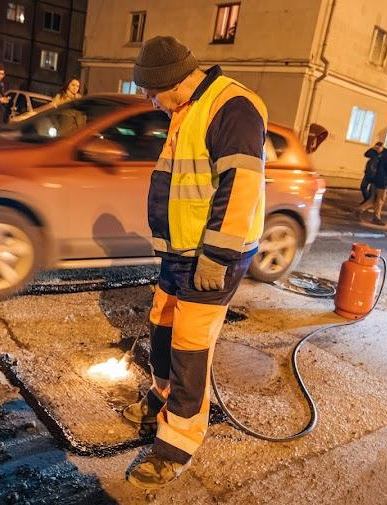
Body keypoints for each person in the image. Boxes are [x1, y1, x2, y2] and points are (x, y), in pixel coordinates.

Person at [121, 36, 267, 490]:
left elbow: (240, 187)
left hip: (212, 255)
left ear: (174, 82)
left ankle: (176, 445)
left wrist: (216, 256)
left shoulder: (232, 107)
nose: (150, 101)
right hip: (180, 251)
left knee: (190, 345)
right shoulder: (186, 109)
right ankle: (161, 399)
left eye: (152, 92)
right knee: (162, 323)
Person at [355, 138, 387, 226]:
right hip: (383, 181)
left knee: (372, 199)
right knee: (380, 200)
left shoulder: (383, 152)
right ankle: (376, 218)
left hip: (375, 179)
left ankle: (360, 210)